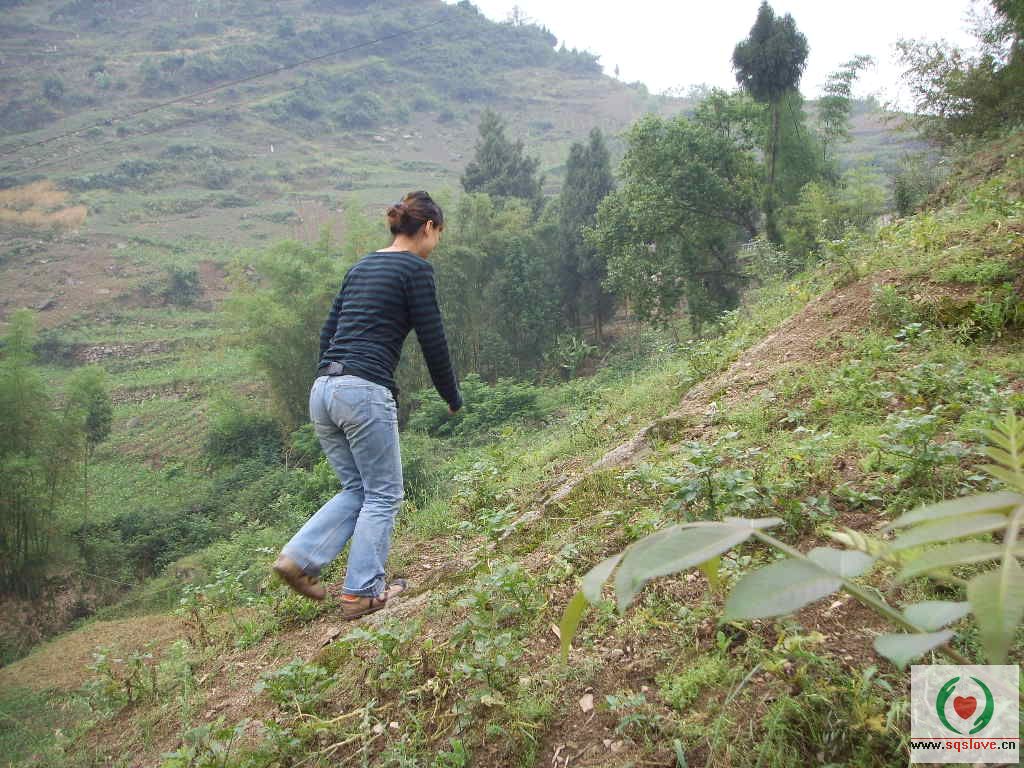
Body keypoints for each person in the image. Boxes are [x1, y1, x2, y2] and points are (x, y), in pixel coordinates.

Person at [273, 190, 462, 620]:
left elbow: (328, 332)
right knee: (384, 494)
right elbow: (433, 339)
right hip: (362, 391)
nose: (436, 244)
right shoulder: (415, 269)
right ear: (428, 227)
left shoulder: (361, 266)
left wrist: (333, 380)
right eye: (439, 234)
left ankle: (298, 558)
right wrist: (451, 396)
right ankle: (361, 592)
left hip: (324, 389)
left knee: (358, 489)